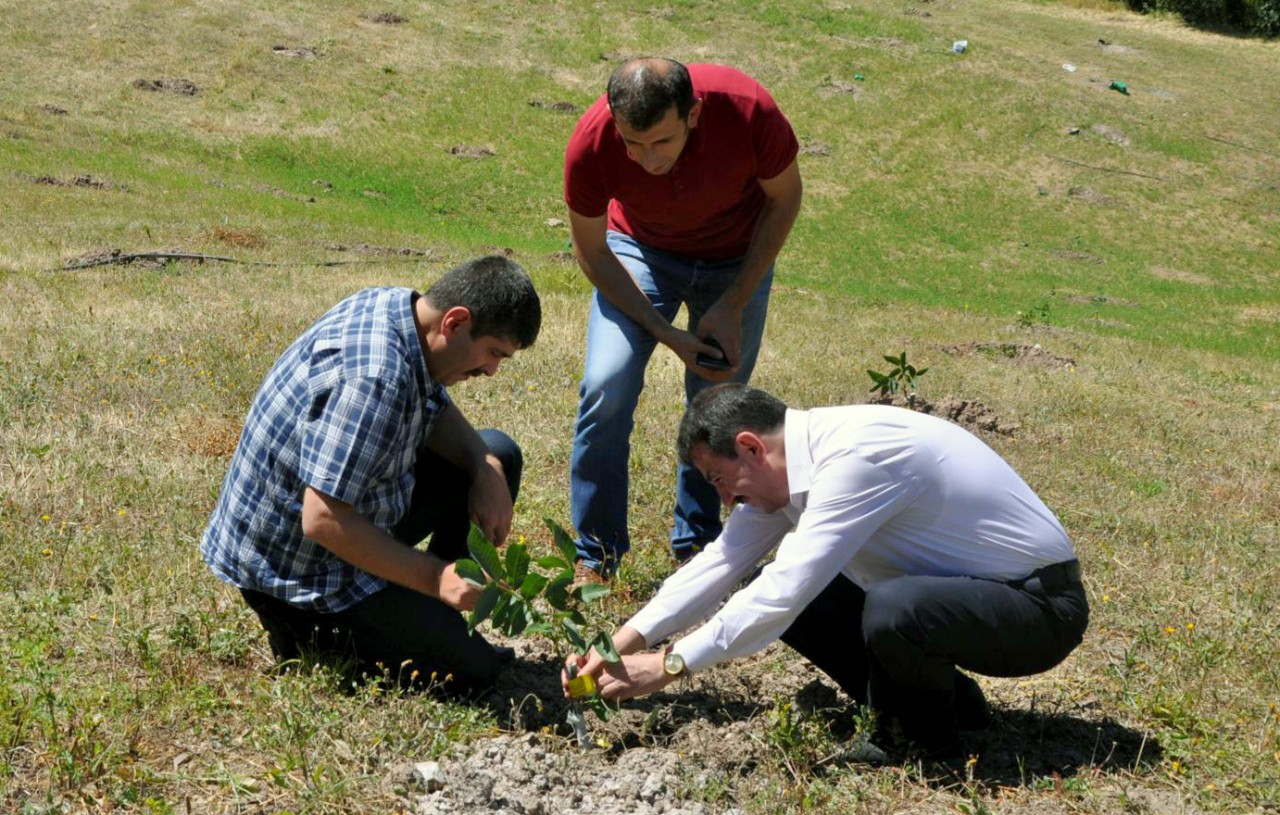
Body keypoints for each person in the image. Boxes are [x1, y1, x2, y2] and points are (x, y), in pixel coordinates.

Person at [569, 384, 1089, 759]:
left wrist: (669, 667)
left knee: (880, 605)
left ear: (751, 446)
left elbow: (783, 592)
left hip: (1038, 610)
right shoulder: (792, 465)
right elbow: (720, 563)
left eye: (721, 479)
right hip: (963, 603)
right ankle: (940, 705)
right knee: (789, 590)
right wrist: (622, 643)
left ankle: (927, 742)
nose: (725, 499)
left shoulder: (856, 457)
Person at [201, 255, 542, 694]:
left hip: (339, 519)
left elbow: (431, 405)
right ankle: (309, 637)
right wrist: (435, 578)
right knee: (473, 673)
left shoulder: (400, 310)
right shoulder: (374, 376)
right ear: (455, 323)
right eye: (493, 352)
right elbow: (321, 519)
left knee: (498, 452)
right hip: (297, 574)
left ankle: (431, 616)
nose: (492, 370)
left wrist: (485, 466)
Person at [564, 57, 804, 574]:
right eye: (633, 144)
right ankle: (596, 553)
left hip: (737, 258)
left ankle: (698, 543)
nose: (647, 159)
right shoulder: (592, 141)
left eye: (662, 143)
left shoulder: (748, 110)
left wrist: (734, 300)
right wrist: (660, 330)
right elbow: (591, 249)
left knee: (716, 401)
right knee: (606, 384)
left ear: (693, 114)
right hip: (638, 250)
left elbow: (785, 199)